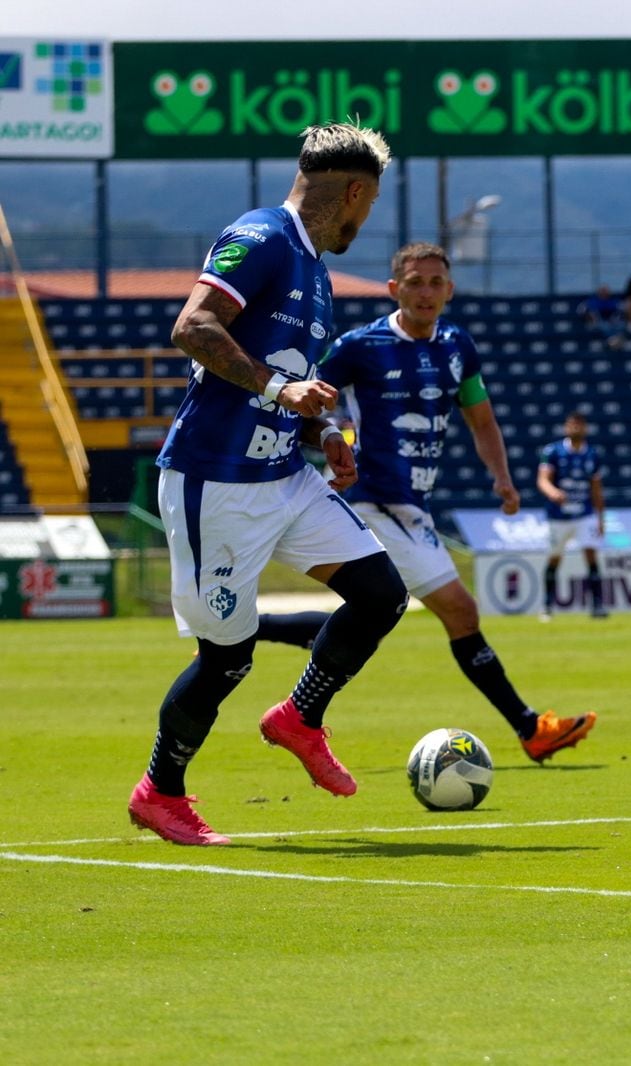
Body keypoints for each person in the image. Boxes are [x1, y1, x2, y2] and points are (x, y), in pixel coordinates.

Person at [126, 123, 407, 847]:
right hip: (215, 482)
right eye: (367, 204)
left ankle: (300, 717)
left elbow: (290, 382)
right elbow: (193, 328)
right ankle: (160, 791)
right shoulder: (262, 238)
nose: (365, 219)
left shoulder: (313, 267)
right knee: (226, 658)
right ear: (354, 192)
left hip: (283, 476)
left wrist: (325, 432)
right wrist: (279, 389)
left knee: (381, 594)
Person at [255, 243, 597, 765]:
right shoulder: (361, 345)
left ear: (450, 290)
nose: (426, 292)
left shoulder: (458, 347)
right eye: (414, 282)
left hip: (412, 506)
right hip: (369, 498)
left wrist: (502, 478)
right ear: (394, 289)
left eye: (436, 282)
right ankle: (531, 729)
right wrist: (330, 436)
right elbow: (308, 399)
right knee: (451, 611)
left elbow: (481, 419)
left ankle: (247, 634)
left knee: (373, 613)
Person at [537, 411, 608, 620]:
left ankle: (597, 606)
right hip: (558, 516)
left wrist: (600, 518)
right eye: (571, 424)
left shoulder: (592, 454)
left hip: (584, 514)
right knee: (554, 557)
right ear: (566, 428)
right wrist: (553, 492)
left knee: (591, 553)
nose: (575, 428)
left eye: (579, 425)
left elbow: (596, 489)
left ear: (585, 428)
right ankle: (547, 605)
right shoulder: (553, 451)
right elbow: (542, 479)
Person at [580, 283, 626, 350]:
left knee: (621, 325)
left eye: (606, 291)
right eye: (602, 291)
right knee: (605, 326)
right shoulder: (591, 302)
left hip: (612, 322)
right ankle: (613, 341)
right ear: (598, 292)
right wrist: (590, 316)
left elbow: (622, 310)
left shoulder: (614, 301)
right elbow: (581, 310)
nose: (604, 293)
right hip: (597, 322)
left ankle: (612, 341)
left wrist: (614, 318)